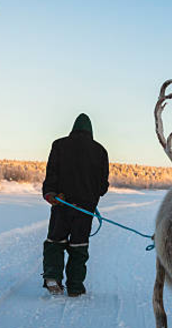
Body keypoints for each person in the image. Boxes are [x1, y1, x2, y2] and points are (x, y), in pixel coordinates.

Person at [41, 113, 109, 297]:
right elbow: (102, 187)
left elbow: (51, 175)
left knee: (55, 242)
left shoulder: (59, 145)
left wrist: (50, 194)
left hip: (61, 204)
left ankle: (53, 277)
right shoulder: (100, 151)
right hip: (84, 209)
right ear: (90, 131)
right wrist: (91, 192)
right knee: (79, 246)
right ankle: (75, 286)